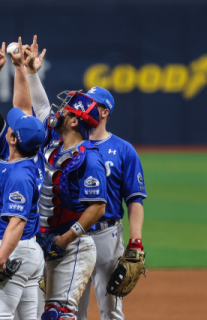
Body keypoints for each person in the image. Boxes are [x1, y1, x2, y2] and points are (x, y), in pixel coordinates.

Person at [19, 36, 108, 320]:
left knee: (58, 315)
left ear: (73, 121)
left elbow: (97, 208)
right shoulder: (56, 140)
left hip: (74, 246)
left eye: (67, 109)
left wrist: (65, 240)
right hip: (46, 243)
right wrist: (31, 72)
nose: (59, 110)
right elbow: (42, 108)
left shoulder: (89, 157)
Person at [0, 39, 46, 320]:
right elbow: (23, 107)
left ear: (12, 138)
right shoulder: (29, 156)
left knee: (0, 317)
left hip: (13, 249)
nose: (10, 123)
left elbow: (17, 222)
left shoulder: (19, 174)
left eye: (12, 126)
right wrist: (19, 67)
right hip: (28, 252)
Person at [76, 87, 147, 320]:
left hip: (107, 237)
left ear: (104, 112)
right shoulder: (71, 145)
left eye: (91, 104)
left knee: (111, 311)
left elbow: (134, 199)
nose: (85, 107)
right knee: (71, 311)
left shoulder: (125, 150)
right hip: (75, 235)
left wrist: (136, 242)